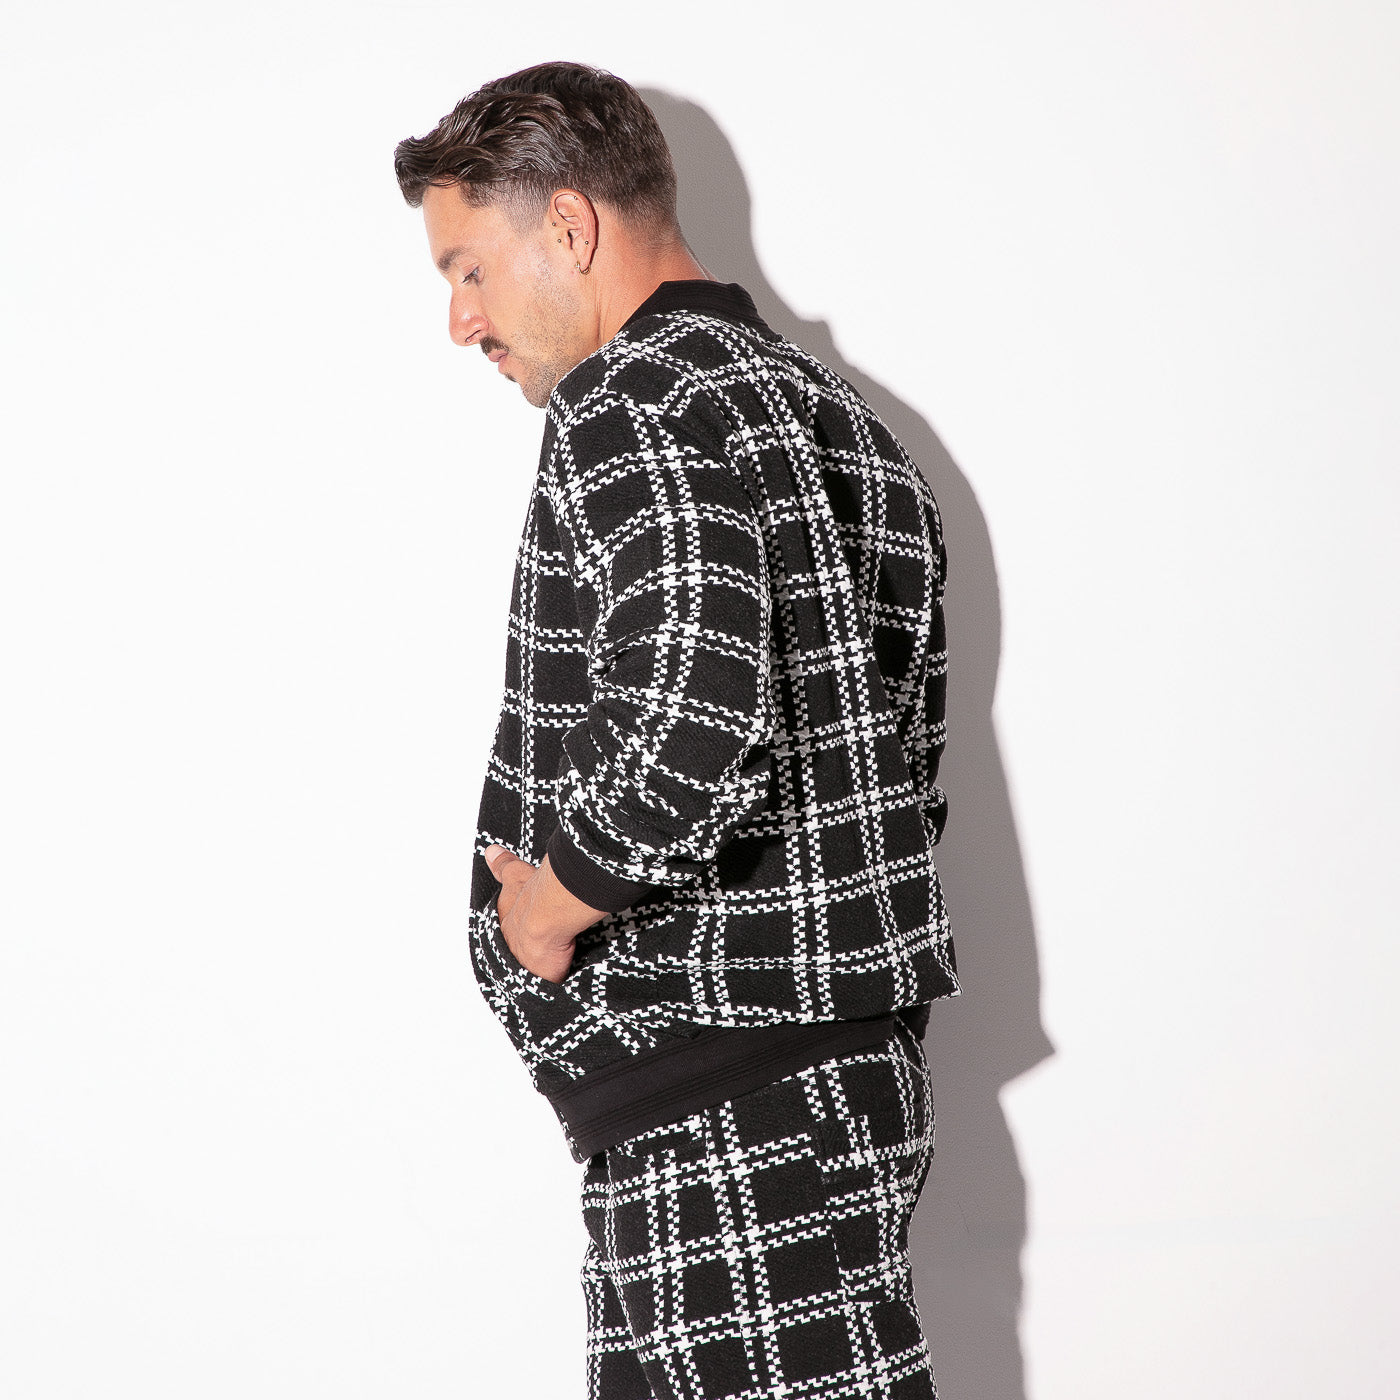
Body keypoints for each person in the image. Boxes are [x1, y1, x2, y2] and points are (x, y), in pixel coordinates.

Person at [394, 60, 961, 1400]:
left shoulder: (636, 399)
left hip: (721, 1092)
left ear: (571, 226)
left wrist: (548, 912)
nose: (461, 320)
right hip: (809, 1081)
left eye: (469, 268)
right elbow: (903, 756)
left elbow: (696, 717)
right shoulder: (842, 422)